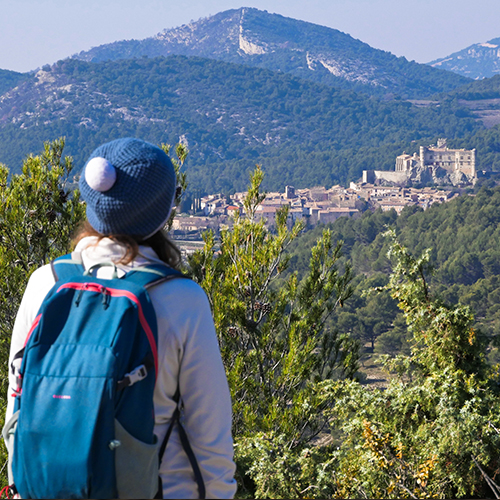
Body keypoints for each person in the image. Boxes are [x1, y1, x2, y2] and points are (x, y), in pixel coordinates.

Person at [5, 137, 237, 499]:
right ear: (162, 212)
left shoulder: (45, 283)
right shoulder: (181, 299)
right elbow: (211, 438)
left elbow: (17, 401)